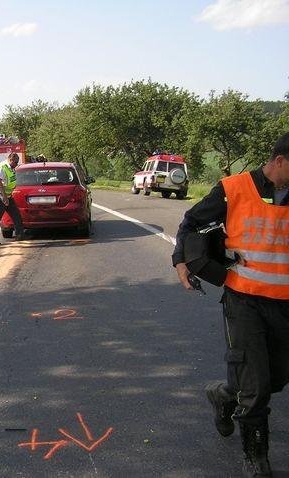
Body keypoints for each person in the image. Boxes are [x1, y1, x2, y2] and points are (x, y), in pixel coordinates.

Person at [172, 132, 289, 477]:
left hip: (284, 305)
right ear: (280, 161)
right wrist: (181, 259)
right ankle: (256, 458)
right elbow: (191, 222)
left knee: (275, 379)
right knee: (256, 388)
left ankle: (224, 396)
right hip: (244, 301)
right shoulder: (235, 188)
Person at [0, 152, 24, 245]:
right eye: (15, 162)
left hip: (7, 195)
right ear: (10, 160)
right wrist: (4, 197)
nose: (16, 164)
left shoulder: (11, 168)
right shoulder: (2, 167)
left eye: (17, 163)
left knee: (16, 215)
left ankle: (20, 235)